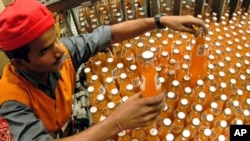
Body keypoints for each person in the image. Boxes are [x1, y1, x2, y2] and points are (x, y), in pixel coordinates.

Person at [0, 0, 207, 140]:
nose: (59, 50)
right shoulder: (10, 99)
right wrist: (117, 122)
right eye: (45, 49)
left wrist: (160, 21)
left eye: (55, 39)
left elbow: (108, 35)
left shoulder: (62, 52)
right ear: (20, 63)